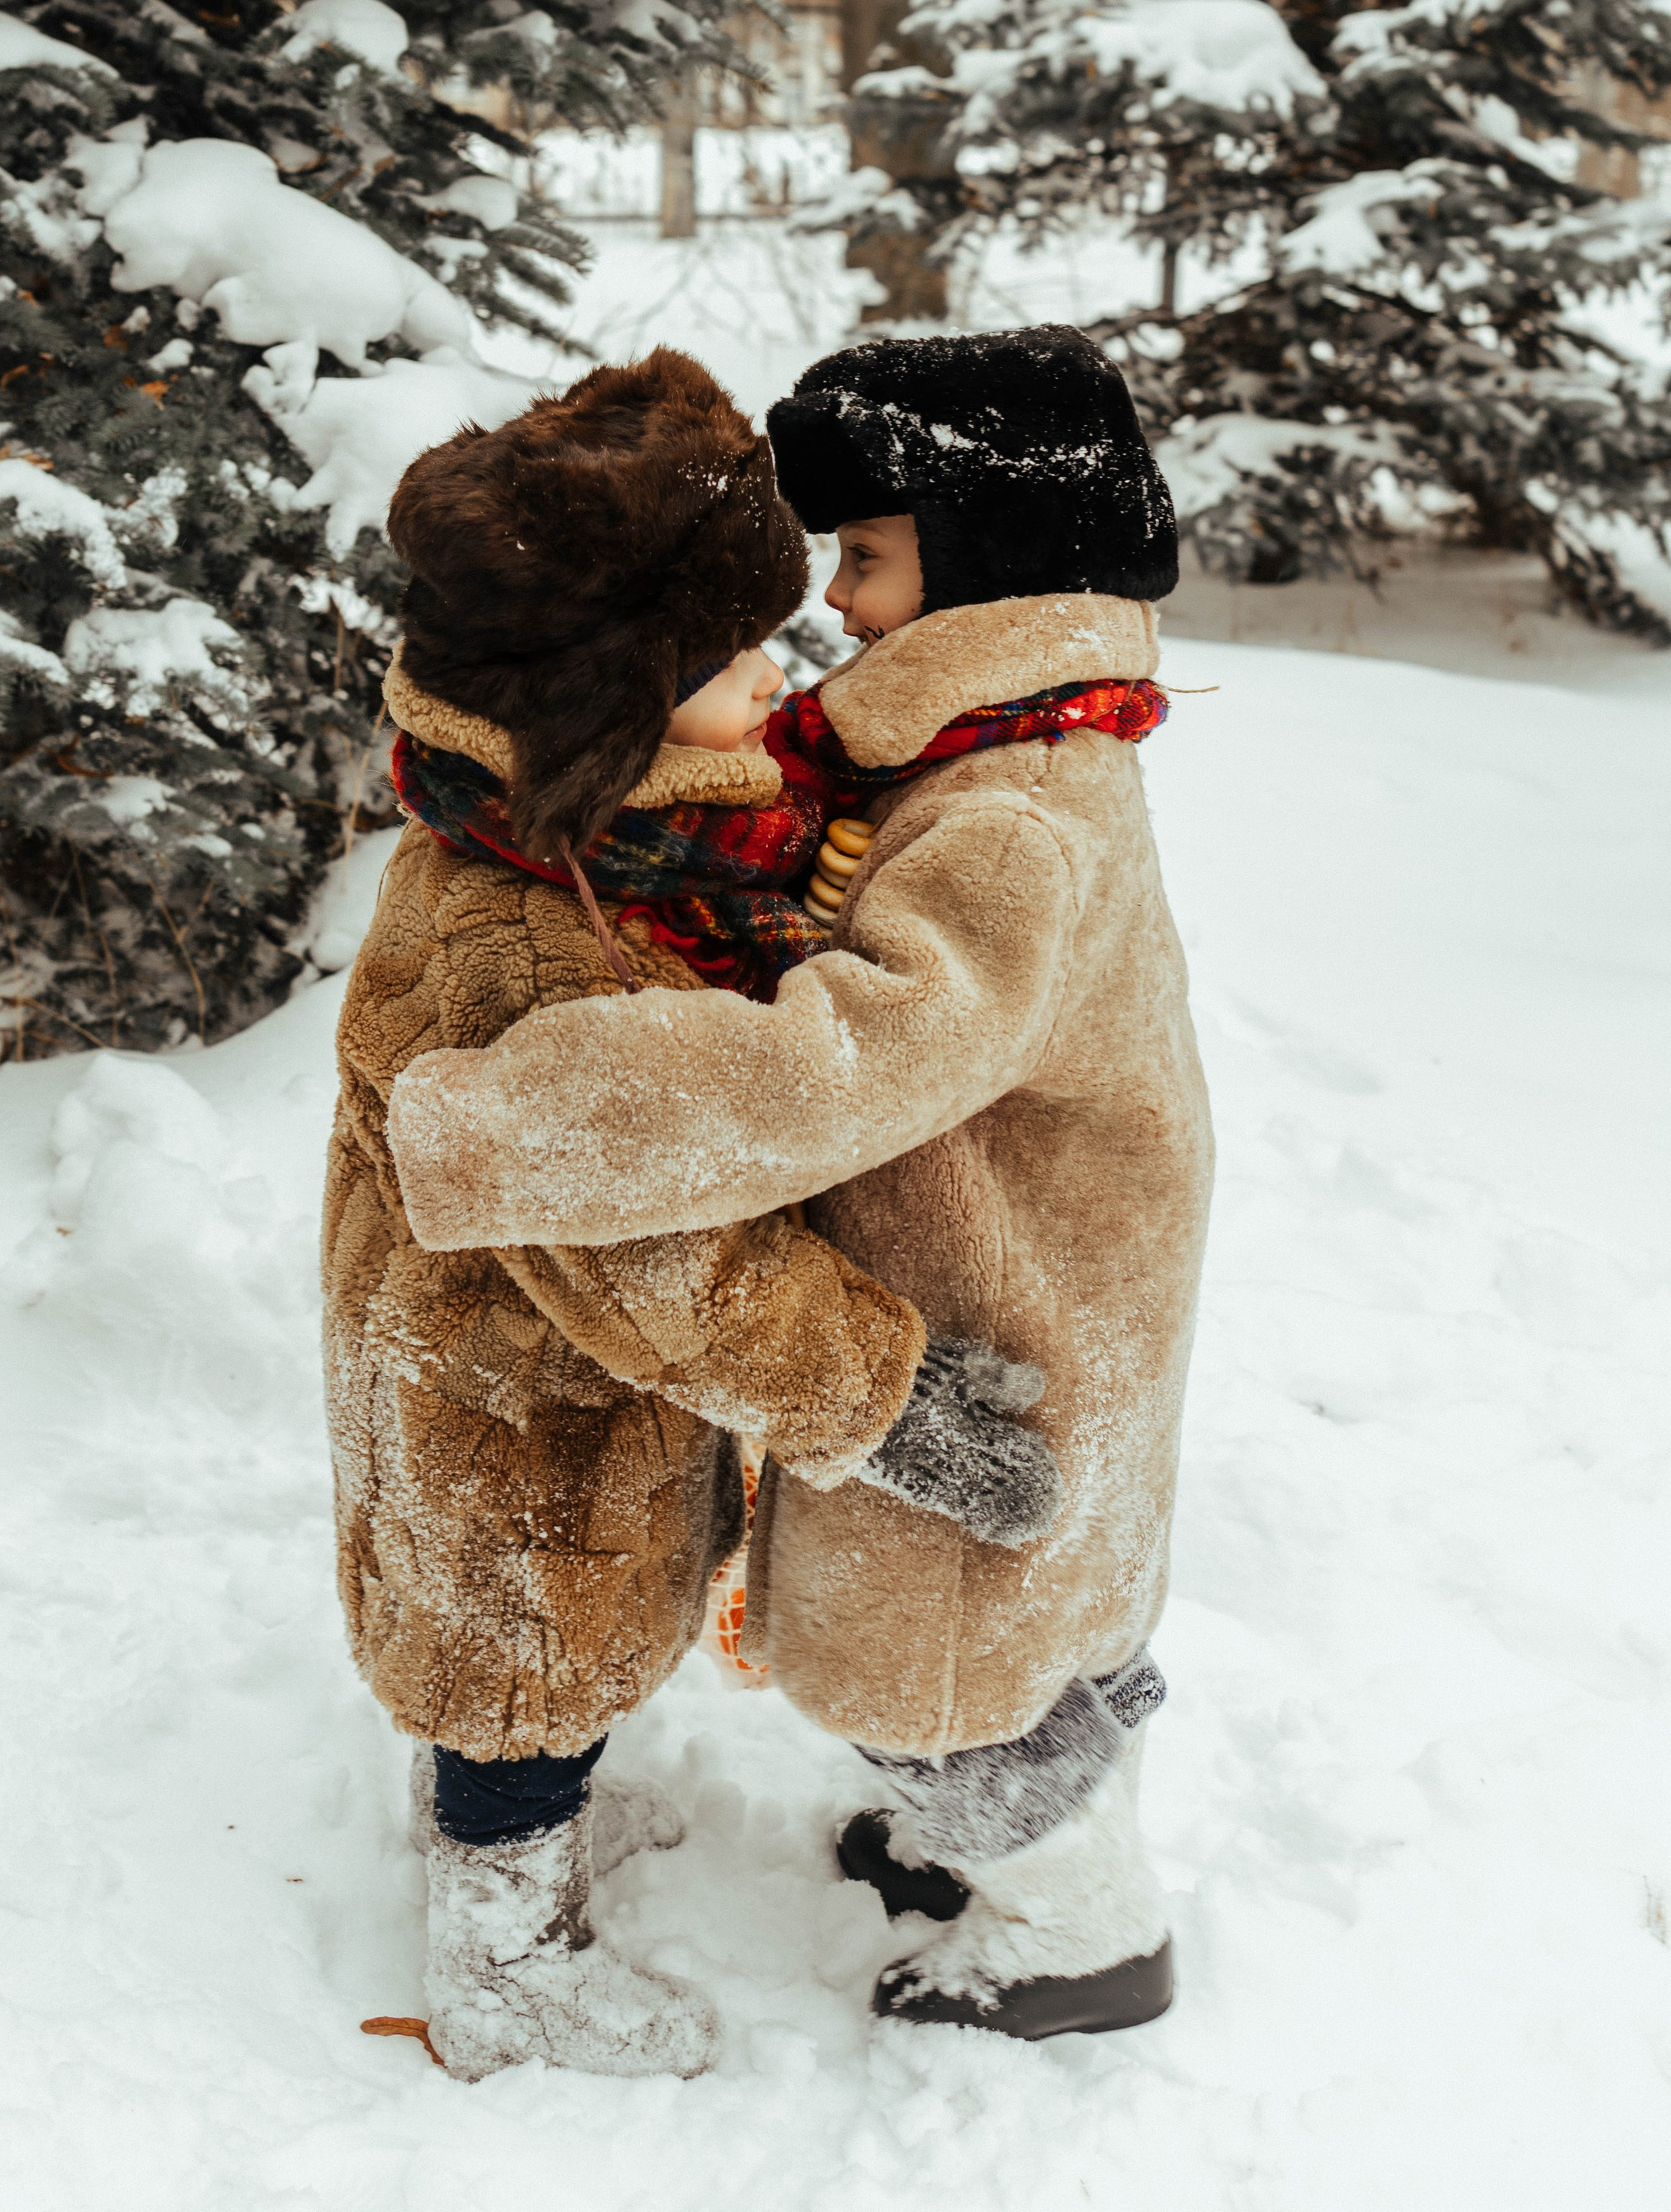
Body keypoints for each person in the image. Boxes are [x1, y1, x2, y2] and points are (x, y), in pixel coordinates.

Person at [385, 325, 1215, 2044]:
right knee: (970, 1633)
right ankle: (982, 1834)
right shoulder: (980, 748)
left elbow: (841, 1060)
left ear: (983, 565)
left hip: (1008, 1289)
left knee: (938, 1660)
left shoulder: (1010, 817)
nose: (835, 604)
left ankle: (1077, 1934)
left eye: (865, 559)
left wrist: (533, 1112)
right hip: (1005, 1254)